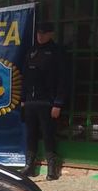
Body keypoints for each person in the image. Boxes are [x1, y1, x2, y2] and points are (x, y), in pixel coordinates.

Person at [19, 21, 67, 181]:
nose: (40, 36)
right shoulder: (31, 51)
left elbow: (63, 80)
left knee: (48, 134)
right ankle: (30, 166)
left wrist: (58, 103)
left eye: (44, 33)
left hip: (48, 102)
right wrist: (23, 99)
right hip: (31, 101)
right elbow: (25, 77)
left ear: (50, 34)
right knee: (30, 134)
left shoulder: (57, 52)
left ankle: (52, 168)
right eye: (38, 33)